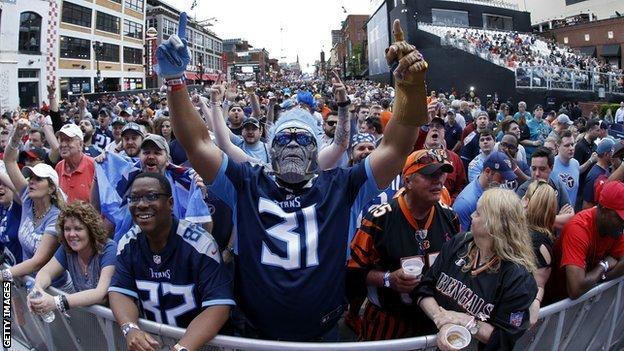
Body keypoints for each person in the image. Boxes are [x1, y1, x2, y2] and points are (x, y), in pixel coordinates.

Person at [160, 16, 429, 340]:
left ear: (318, 151)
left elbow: (397, 147)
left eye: (303, 139)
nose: (292, 144)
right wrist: (176, 82)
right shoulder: (246, 182)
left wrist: (411, 89)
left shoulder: (342, 186)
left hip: (323, 332)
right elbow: (198, 144)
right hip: (257, 335)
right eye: (283, 138)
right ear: (269, 150)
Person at [108, 172, 233, 351]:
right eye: (134, 198)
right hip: (155, 345)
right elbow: (119, 291)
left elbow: (219, 306)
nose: (141, 204)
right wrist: (130, 328)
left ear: (170, 203)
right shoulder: (128, 243)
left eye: (151, 196)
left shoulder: (199, 244)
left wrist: (182, 348)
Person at [347, 149, 459, 340]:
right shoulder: (378, 220)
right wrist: (388, 279)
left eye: (441, 174)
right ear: (407, 181)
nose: (438, 180)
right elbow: (353, 272)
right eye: (429, 175)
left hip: (433, 319)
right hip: (387, 320)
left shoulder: (450, 218)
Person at [417, 188, 537, 350]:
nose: (472, 216)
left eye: (478, 213)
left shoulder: (518, 277)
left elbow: (504, 337)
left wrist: (465, 321)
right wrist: (441, 320)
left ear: (494, 225)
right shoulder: (459, 243)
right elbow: (424, 289)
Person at [94, 134, 212, 242]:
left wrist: (201, 198)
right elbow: (100, 210)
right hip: (134, 253)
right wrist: (99, 174)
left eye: (157, 153)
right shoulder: (126, 181)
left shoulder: (185, 184)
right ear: (140, 157)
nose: (151, 156)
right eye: (146, 152)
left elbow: (203, 229)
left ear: (168, 160)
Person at [0, 120, 71, 290]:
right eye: (30, 178)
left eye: (38, 179)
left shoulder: (56, 217)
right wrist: (16, 135)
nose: (31, 182)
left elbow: (38, 261)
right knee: (12, 315)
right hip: (29, 285)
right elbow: (9, 161)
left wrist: (4, 275)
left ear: (52, 188)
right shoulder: (27, 199)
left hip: (56, 290)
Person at [27, 201, 116, 315]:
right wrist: (38, 289)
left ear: (91, 230)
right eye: (67, 229)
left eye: (78, 229)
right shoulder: (67, 249)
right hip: (92, 321)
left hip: (114, 322)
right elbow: (46, 272)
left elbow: (101, 293)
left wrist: (56, 302)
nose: (71, 234)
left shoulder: (108, 248)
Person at [546, 181, 624, 301]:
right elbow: (575, 289)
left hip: (583, 308)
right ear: (603, 210)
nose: (622, 223)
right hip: (555, 306)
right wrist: (603, 266)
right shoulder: (578, 228)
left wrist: (600, 278)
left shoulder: (615, 229)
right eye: (620, 218)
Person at [454, 151, 518, 231]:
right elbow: (461, 240)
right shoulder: (465, 203)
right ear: (487, 172)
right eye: (501, 177)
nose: (504, 181)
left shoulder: (494, 189)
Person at [522, 180, 556, 326]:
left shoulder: (538, 241)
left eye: (525, 196)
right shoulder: (528, 232)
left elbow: (539, 283)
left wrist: (535, 303)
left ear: (529, 202)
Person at [516, 147, 574, 230]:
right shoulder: (524, 190)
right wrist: (557, 218)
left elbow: (570, 218)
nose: (537, 174)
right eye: (534, 168)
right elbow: (521, 223)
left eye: (542, 169)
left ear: (551, 168)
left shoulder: (557, 185)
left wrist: (537, 220)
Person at [54, 123, 96, 203]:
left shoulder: (93, 166)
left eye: (68, 140)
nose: (63, 144)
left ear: (80, 144)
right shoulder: (58, 167)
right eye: (61, 140)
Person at [582, 138, 614, 209]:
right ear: (606, 154)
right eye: (613, 153)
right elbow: (586, 206)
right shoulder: (594, 175)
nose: (614, 156)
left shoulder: (609, 169)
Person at [552, 130, 580, 207]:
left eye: (572, 144)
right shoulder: (551, 166)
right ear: (558, 147)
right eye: (567, 145)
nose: (571, 148)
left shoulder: (576, 164)